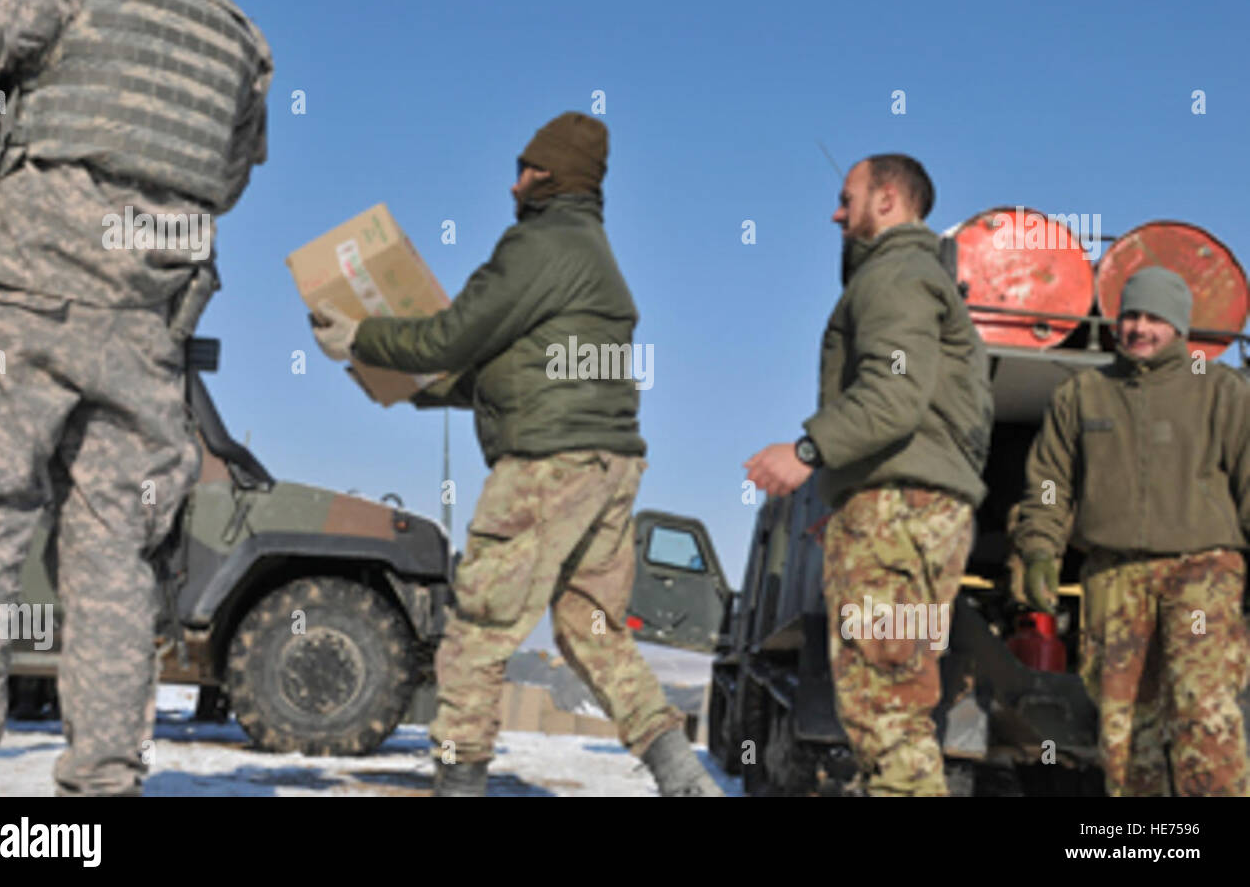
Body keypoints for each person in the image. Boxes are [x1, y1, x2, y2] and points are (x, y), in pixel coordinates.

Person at [310, 112, 721, 797]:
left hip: (546, 468)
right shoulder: (593, 253)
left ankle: (459, 783)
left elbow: (451, 335)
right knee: (592, 630)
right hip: (608, 468)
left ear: (549, 175)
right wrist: (411, 389)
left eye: (524, 168)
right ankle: (683, 776)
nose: (512, 182)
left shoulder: (537, 246)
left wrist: (362, 338)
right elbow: (519, 376)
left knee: (477, 631)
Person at [0, 0, 272, 796]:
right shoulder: (240, 36)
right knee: (114, 564)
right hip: (145, 330)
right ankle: (98, 796)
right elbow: (229, 179)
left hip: (22, 291)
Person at [745, 154, 993, 796]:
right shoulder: (922, 278)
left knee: (883, 709)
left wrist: (805, 453)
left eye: (846, 197)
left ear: (886, 200)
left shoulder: (895, 275)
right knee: (897, 704)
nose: (835, 212)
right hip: (905, 510)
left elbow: (892, 395)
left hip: (896, 513)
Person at [1011, 266, 1250, 796]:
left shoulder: (1221, 391)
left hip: (1202, 573)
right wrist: (1039, 551)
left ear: (1180, 327)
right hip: (1112, 577)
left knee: (1203, 714)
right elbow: (1050, 483)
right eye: (1131, 315)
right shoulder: (1084, 394)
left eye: (1155, 318)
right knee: (1121, 730)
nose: (1140, 327)